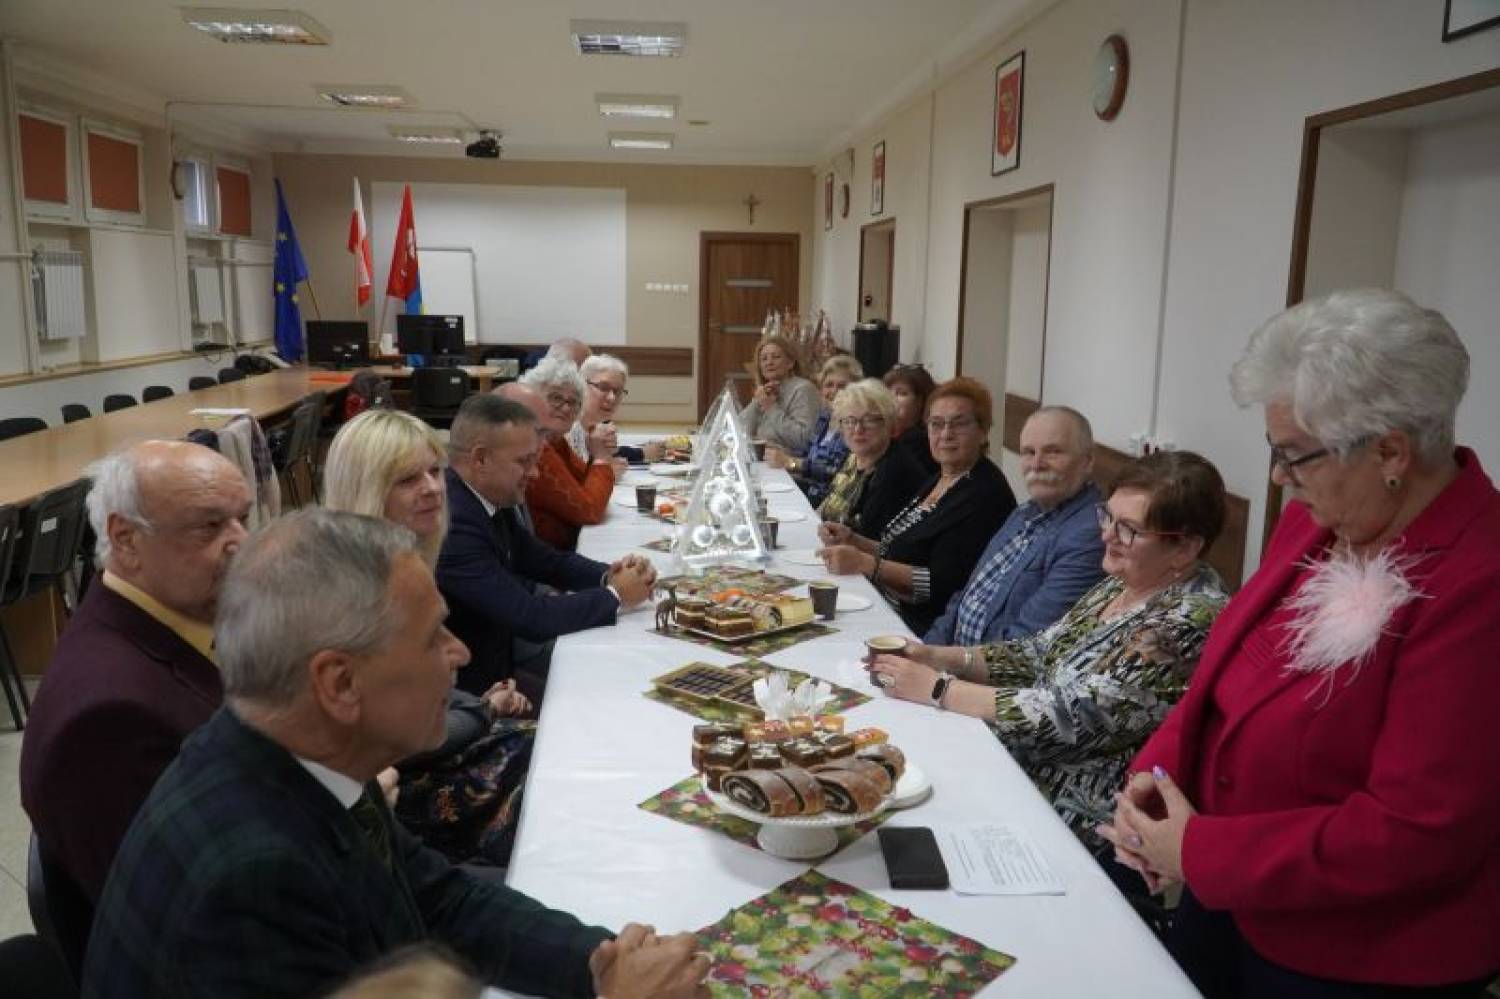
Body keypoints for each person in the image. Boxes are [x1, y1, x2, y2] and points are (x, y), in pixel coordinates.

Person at [83, 509, 709, 999]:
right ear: (340, 684)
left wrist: (602, 962)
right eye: (432, 635)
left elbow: (439, 903)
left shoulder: (298, 757)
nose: (460, 653)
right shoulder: (253, 880)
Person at [1099, 290, 1500, 997]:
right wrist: (1157, 783)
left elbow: (1415, 829)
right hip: (1228, 900)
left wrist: (1198, 848)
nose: (1280, 477)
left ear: (1390, 452)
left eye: (1295, 455)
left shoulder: (1479, 581)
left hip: (1357, 957)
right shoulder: (1322, 522)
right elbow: (1222, 684)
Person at [870, 450, 1227, 840]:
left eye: (1129, 529)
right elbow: (1039, 651)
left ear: (1185, 547)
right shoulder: (1127, 580)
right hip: (1022, 769)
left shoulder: (1187, 620)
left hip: (1077, 819)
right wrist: (938, 656)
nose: (1106, 535)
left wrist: (939, 688)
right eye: (1107, 517)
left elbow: (1073, 716)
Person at [20, 440, 250, 904]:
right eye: (209, 526)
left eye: (243, 519)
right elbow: (196, 908)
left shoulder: (167, 619)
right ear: (125, 540)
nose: (242, 542)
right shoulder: (111, 720)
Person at [324, 409, 535, 866]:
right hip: (397, 794)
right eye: (407, 479)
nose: (433, 488)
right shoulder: (355, 590)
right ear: (367, 488)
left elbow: (420, 691)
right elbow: (404, 739)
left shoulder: (403, 557)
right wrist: (484, 710)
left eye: (435, 471)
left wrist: (474, 704)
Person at [437, 395, 655, 701]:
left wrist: (612, 573)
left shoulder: (482, 499)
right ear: (480, 459)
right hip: (471, 698)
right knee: (607, 693)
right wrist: (616, 595)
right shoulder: (454, 522)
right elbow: (529, 617)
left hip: (498, 677)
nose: (536, 473)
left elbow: (546, 561)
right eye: (524, 462)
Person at [818, 377, 1016, 634]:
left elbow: (939, 584)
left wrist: (865, 563)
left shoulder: (984, 492)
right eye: (937, 424)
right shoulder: (940, 478)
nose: (946, 434)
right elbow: (901, 549)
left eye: (959, 424)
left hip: (918, 625)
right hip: (888, 602)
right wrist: (854, 539)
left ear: (983, 430)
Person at [925, 406, 1106, 646]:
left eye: (1053, 452)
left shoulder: (1091, 534)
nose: (1037, 464)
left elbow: (1023, 644)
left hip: (982, 677)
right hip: (951, 661)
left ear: (1088, 460)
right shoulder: (1024, 512)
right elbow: (964, 598)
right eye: (1029, 452)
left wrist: (936, 665)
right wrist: (924, 650)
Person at [520, 356, 616, 550]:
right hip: (549, 560)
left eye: (573, 402)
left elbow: (583, 482)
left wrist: (595, 454)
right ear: (533, 399)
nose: (565, 408)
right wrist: (601, 459)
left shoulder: (554, 441)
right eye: (556, 398)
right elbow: (588, 510)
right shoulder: (537, 449)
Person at [815, 378, 925, 540]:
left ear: (889, 424)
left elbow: (873, 539)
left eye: (870, 420)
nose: (858, 429)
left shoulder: (893, 473)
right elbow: (828, 505)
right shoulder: (854, 457)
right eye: (850, 421)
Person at [765, 353, 863, 505]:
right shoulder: (825, 417)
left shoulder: (855, 425)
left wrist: (791, 463)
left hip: (830, 503)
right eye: (829, 385)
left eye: (842, 386)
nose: (835, 391)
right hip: (810, 494)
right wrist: (779, 453)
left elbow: (836, 471)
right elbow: (806, 451)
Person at [568, 354, 666, 465]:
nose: (612, 398)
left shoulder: (595, 427)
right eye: (603, 387)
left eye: (618, 391)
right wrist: (606, 470)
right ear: (581, 385)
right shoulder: (567, 430)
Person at [739, 335, 820, 453]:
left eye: (776, 357)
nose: (769, 362)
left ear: (790, 363)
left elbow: (803, 439)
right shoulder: (765, 392)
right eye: (764, 359)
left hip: (789, 466)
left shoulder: (803, 389)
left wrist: (770, 408)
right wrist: (756, 403)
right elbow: (739, 431)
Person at [883, 364, 938, 475]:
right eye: (887, 392)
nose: (891, 398)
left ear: (921, 401)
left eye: (901, 393)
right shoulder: (884, 433)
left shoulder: (920, 441)